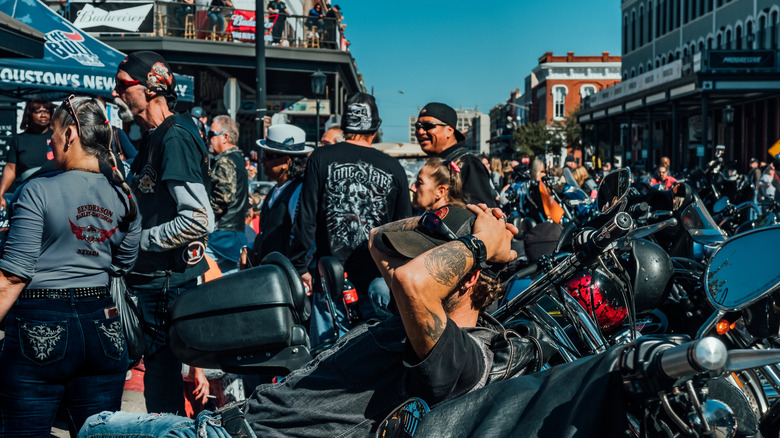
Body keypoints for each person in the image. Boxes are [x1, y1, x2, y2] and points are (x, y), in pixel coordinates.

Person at [79, 204, 543, 438]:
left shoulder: (463, 355)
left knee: (92, 429)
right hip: (228, 424)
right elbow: (379, 240)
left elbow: (413, 281)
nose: (403, 270)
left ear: (464, 280)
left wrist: (481, 243)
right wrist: (437, 220)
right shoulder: (416, 318)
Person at [0, 95, 141, 436]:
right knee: (98, 432)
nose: (49, 139)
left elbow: (12, 277)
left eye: (54, 131)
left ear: (71, 134)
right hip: (103, 324)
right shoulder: (124, 197)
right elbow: (123, 264)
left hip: (41, 321)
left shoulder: (37, 191)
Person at [111, 51, 215, 415]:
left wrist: (139, 240)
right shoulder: (155, 135)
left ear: (152, 87)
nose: (115, 93)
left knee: (161, 378)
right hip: (154, 280)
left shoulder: (174, 137)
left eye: (123, 85)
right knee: (157, 375)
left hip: (165, 282)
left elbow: (199, 219)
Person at [288, 92, 412, 344]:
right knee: (374, 351)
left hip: (330, 278)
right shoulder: (394, 169)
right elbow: (405, 231)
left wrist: (300, 266)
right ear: (376, 128)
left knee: (328, 355)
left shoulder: (320, 159)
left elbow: (306, 219)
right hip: (378, 279)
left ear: (344, 127)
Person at [248, 124, 311, 265]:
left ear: (286, 162)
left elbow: (300, 237)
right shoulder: (275, 190)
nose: (262, 160)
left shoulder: (298, 192)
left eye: (268, 156)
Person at [415, 102, 497, 207]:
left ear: (449, 130)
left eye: (428, 126)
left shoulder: (468, 163)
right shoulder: (436, 163)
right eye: (418, 126)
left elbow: (481, 212)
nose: (420, 131)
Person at [206, 115, 249, 275]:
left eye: (211, 134)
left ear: (225, 137)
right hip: (235, 233)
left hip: (220, 234)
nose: (208, 139)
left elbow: (223, 197)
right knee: (231, 281)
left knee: (194, 272)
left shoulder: (225, 161)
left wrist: (203, 214)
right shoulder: (238, 158)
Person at [0, 98, 55, 211]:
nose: (43, 115)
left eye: (47, 112)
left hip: (54, 192)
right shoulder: (19, 139)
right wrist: (1, 194)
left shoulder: (57, 137)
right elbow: (11, 168)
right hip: (28, 193)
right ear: (29, 115)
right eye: (38, 112)